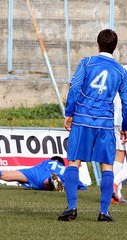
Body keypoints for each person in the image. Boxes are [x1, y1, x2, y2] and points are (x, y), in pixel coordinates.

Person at [57, 29, 127, 222]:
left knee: (74, 161)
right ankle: (104, 212)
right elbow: (126, 100)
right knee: (107, 166)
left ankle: (72, 208)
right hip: (105, 123)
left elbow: (75, 88)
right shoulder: (120, 70)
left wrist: (69, 113)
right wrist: (125, 126)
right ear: (115, 47)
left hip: (82, 118)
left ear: (98, 44)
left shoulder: (87, 62)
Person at [0, 156, 87, 191]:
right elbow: (81, 186)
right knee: (46, 183)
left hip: (34, 171)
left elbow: (38, 167)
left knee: (5, 175)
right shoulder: (65, 169)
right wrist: (81, 186)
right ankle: (52, 180)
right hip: (50, 176)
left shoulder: (47, 161)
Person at [111, 92, 127, 204]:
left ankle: (117, 196)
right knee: (119, 155)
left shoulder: (118, 74)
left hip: (116, 119)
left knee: (119, 155)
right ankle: (114, 183)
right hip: (125, 120)